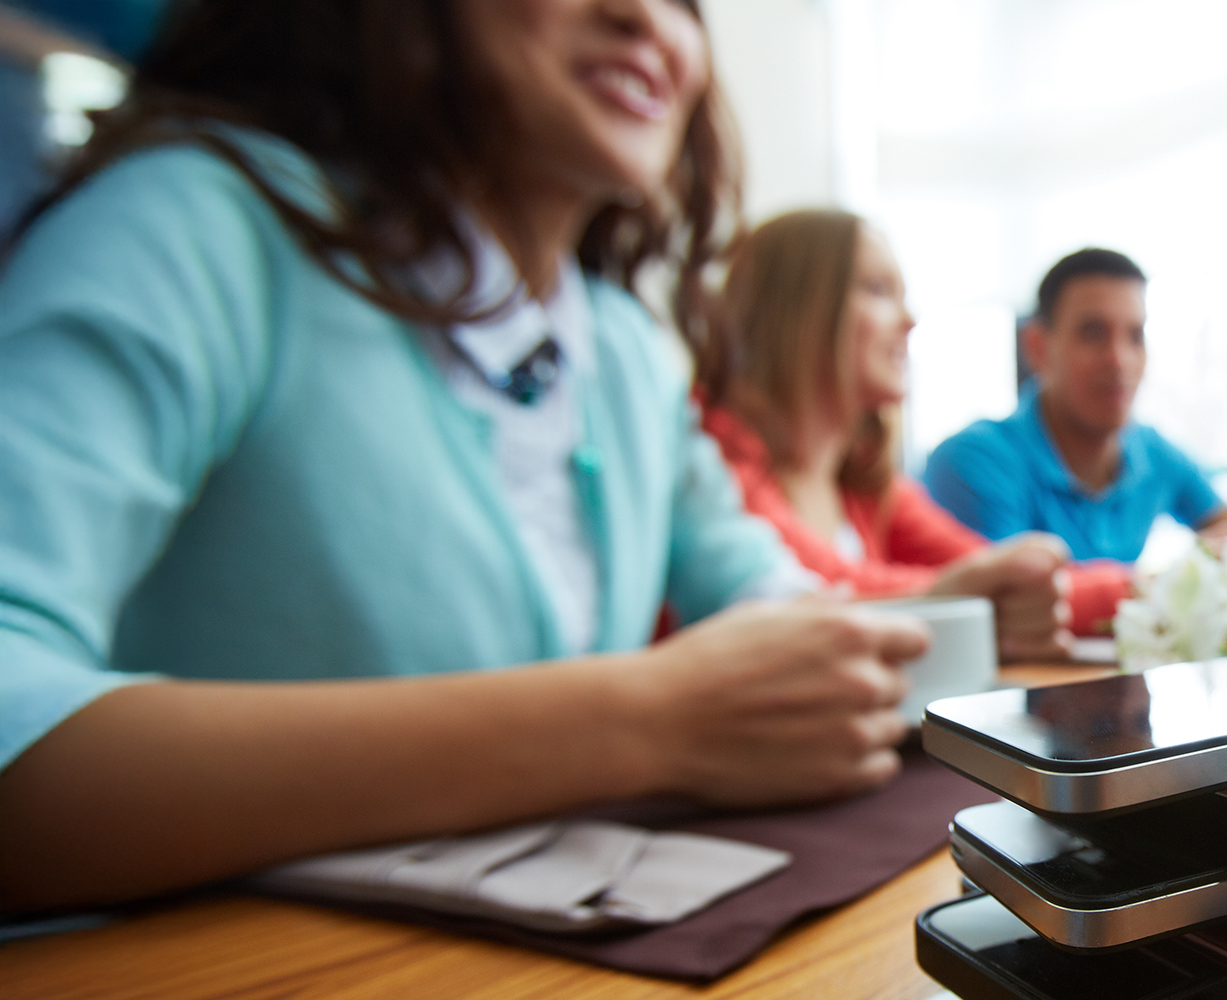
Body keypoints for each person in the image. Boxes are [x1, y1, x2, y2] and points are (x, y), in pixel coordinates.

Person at [0, 0, 926, 913]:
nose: (645, 18)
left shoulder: (625, 350)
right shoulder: (192, 228)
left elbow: (765, 592)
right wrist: (637, 725)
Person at [700, 210, 1134, 658]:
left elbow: (987, 571)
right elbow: (815, 595)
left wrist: (1152, 587)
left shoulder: (868, 485)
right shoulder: (717, 456)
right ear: (792, 306)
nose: (910, 320)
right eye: (878, 289)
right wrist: (966, 599)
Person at [923, 248, 1227, 564]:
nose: (1120, 360)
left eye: (1135, 336)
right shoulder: (971, 461)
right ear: (1037, 347)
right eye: (1093, 334)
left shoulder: (1151, 452)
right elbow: (1012, 598)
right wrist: (1172, 582)